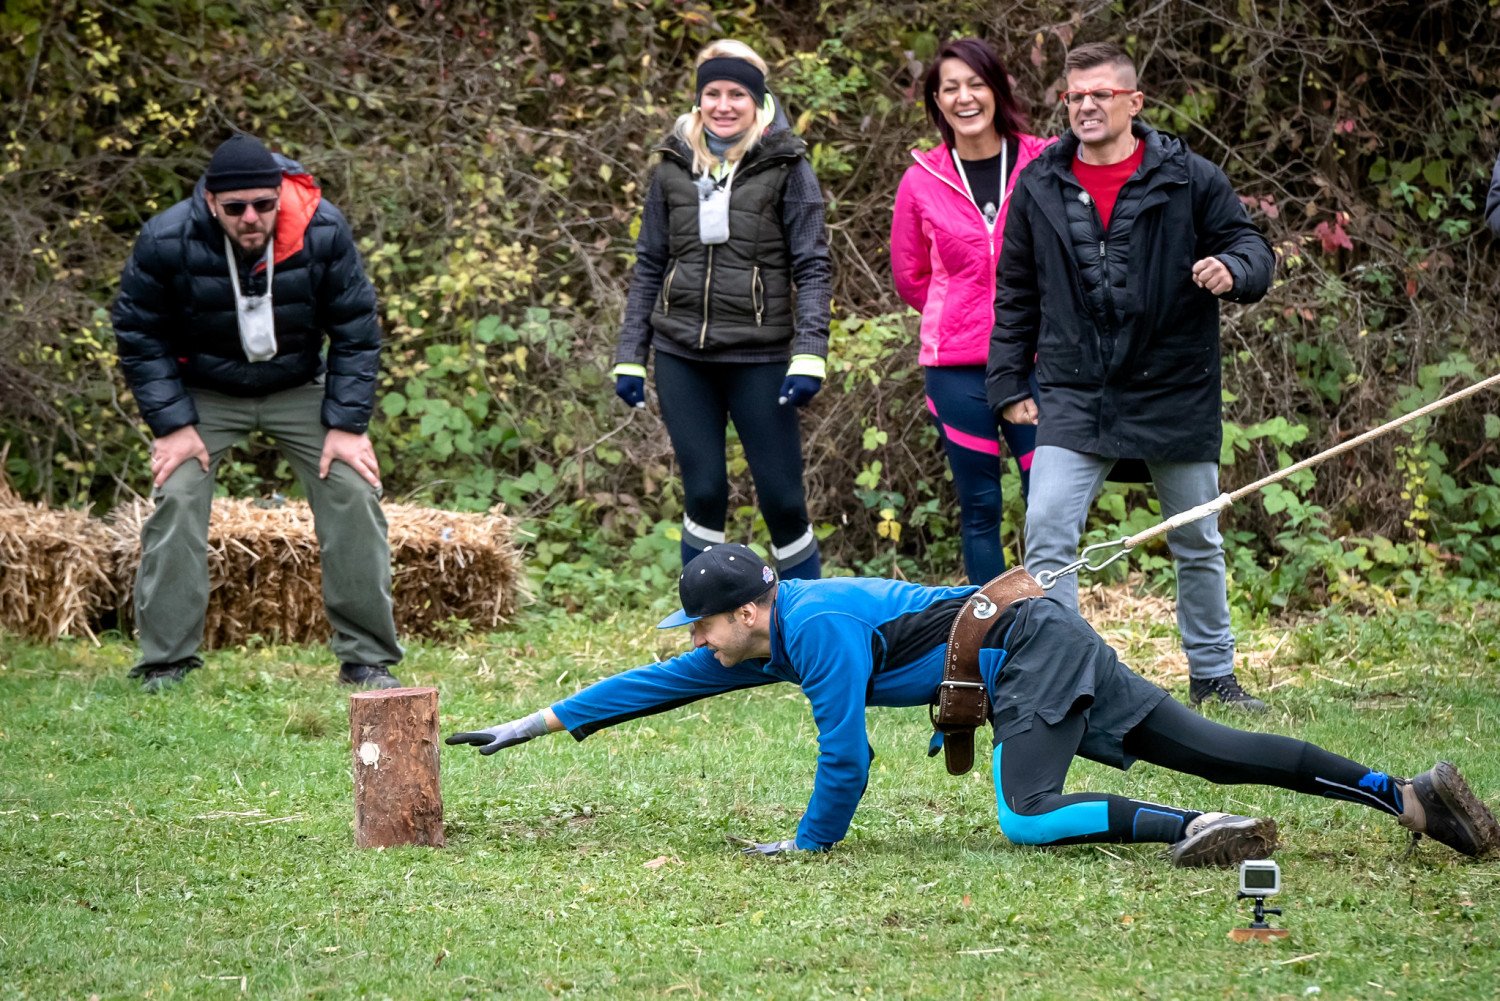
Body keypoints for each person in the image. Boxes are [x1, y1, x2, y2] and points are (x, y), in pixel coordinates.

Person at [448, 545, 1499, 866]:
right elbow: (655, 685)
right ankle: (1406, 795)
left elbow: (845, 759)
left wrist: (810, 844)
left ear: (743, 611)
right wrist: (540, 720)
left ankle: (1200, 833)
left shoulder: (807, 631)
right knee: (1212, 743)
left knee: (1026, 811)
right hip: (1038, 636)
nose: (701, 648)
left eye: (705, 629)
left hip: (1028, 647)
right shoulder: (775, 630)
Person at [986, 42, 1276, 710]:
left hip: (1175, 384)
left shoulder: (1190, 178)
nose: (1086, 106)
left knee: (1196, 537)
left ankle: (1213, 676)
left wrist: (1233, 270)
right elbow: (1016, 293)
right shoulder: (1038, 185)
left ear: (1133, 102)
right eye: (1075, 96)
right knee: (1049, 533)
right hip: (1074, 389)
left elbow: (1251, 246)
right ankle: (1066, 676)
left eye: (1101, 95)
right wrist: (1006, 384)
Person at [112, 133, 403, 692]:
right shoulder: (166, 237)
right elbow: (138, 333)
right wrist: (173, 425)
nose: (251, 218)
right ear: (210, 203)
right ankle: (165, 663)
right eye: (236, 207)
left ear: (278, 197)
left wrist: (345, 425)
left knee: (353, 489)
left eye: (263, 205)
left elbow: (357, 330)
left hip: (298, 384)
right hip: (205, 391)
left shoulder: (323, 230)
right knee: (177, 497)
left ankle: (367, 659)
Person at [611, 40, 832, 579]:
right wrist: (629, 355)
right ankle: (708, 632)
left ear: (758, 101)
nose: (724, 105)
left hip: (760, 359)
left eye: (738, 93)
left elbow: (814, 267)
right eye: (713, 93)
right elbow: (648, 264)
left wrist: (809, 354)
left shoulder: (787, 165)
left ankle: (805, 627)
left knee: (782, 502)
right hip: (682, 355)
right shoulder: (670, 167)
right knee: (704, 492)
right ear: (698, 100)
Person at [890, 39, 1055, 584]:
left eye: (975, 84)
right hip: (956, 368)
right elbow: (911, 276)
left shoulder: (1045, 160)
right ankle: (991, 637)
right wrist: (959, 311)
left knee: (1049, 505)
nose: (965, 97)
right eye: (950, 88)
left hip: (1039, 361)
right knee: (980, 507)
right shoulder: (922, 179)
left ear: (997, 89)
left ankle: (1054, 630)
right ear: (937, 103)